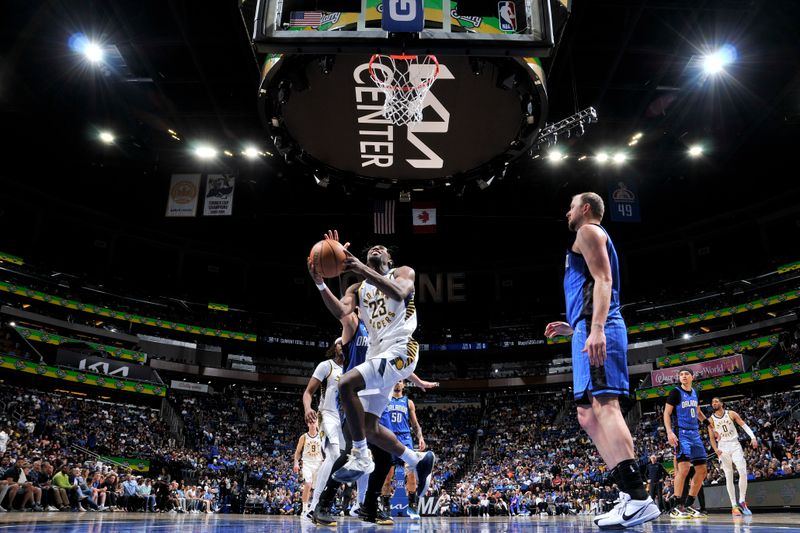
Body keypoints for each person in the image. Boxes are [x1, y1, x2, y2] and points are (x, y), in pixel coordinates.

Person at [544, 192, 659, 529]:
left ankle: (639, 496)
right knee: (586, 415)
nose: (567, 212)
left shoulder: (589, 231)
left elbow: (604, 280)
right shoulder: (585, 237)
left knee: (605, 405)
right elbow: (589, 285)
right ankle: (628, 493)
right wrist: (576, 326)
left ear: (586, 209)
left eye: (571, 206)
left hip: (602, 325)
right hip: (586, 326)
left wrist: (595, 328)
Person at [308, 232, 435, 503]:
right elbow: (342, 313)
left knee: (345, 383)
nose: (377, 247)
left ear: (389, 259)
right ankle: (418, 460)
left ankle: (361, 455)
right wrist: (320, 284)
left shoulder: (403, 272)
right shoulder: (357, 289)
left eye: (382, 248)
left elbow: (400, 294)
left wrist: (360, 268)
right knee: (367, 425)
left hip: (402, 349)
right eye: (371, 248)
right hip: (378, 356)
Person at [303, 336, 345, 518]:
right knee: (334, 454)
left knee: (341, 458)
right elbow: (308, 392)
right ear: (335, 347)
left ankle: (318, 505)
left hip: (345, 419)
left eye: (346, 343)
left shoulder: (355, 368)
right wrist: (307, 408)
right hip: (326, 415)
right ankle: (317, 504)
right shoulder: (326, 366)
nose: (343, 346)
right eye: (340, 343)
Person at [663, 368, 710, 518]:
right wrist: (669, 432)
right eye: (681, 374)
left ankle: (689, 504)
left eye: (686, 374)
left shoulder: (695, 392)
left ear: (692, 377)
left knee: (702, 470)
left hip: (695, 433)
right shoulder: (675, 392)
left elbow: (697, 411)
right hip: (681, 433)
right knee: (683, 469)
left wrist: (709, 424)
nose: (683, 376)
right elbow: (667, 413)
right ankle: (677, 506)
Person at [380, 380, 426, 519]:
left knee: (411, 473)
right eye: (394, 381)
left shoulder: (408, 402)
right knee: (388, 476)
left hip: (405, 438)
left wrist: (420, 437)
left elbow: (415, 423)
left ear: (404, 385)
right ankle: (386, 507)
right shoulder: (385, 400)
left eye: (400, 381)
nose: (397, 383)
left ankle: (412, 507)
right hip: (389, 437)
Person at [708, 396, 757, 516]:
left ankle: (742, 501)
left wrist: (753, 437)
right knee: (729, 475)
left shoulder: (731, 413)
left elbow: (743, 425)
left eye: (716, 401)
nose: (714, 403)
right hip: (722, 447)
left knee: (742, 471)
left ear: (721, 403)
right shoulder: (710, 419)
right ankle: (734, 505)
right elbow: (711, 438)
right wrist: (716, 450)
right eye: (712, 402)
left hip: (735, 444)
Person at [293, 419, 323, 516]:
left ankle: (315, 508)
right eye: (311, 423)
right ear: (308, 424)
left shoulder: (322, 436)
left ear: (317, 423)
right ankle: (305, 509)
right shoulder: (304, 437)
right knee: (308, 484)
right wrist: (296, 463)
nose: (313, 424)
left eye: (314, 422)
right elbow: (297, 452)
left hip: (319, 464)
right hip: (307, 463)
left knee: (318, 488)